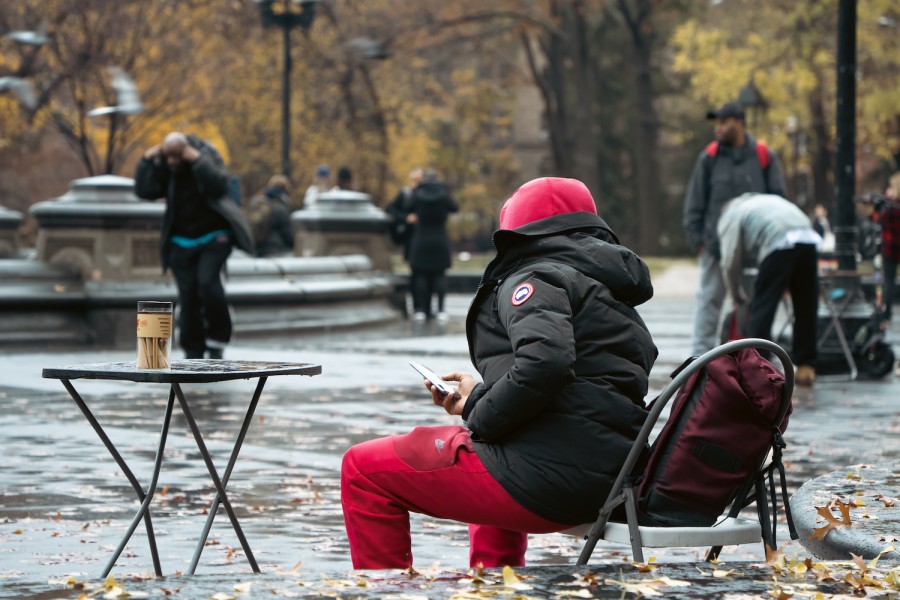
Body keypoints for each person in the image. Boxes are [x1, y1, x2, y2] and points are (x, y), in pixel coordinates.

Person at [341, 176, 658, 569]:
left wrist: (480, 414)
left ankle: (382, 593)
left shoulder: (536, 276)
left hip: (549, 479)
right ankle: (494, 583)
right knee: (489, 446)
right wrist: (476, 397)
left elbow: (547, 362)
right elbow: (575, 387)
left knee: (362, 469)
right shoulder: (606, 291)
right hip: (610, 476)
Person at [134, 132, 254, 360]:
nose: (171, 162)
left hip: (214, 236)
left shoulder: (206, 157)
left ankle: (217, 338)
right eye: (168, 157)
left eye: (176, 157)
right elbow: (144, 191)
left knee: (207, 284)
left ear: (185, 152)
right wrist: (146, 160)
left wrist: (197, 161)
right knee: (187, 295)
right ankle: (193, 350)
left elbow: (219, 185)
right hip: (180, 241)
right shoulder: (168, 167)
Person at [683, 101, 787, 356]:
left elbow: (778, 201)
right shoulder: (709, 158)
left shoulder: (763, 156)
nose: (717, 128)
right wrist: (700, 244)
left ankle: (758, 363)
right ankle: (698, 363)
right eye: (716, 122)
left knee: (757, 308)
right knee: (708, 304)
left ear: (739, 123)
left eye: (723, 122)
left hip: (755, 252)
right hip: (716, 249)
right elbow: (694, 203)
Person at [717, 193, 820, 386]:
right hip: (807, 236)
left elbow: (730, 260)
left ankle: (758, 366)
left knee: (763, 308)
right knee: (806, 304)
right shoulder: (760, 202)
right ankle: (806, 365)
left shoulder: (730, 215)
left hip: (778, 242)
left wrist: (736, 294)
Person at [406, 170, 458, 323]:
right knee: (440, 274)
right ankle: (441, 309)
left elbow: (408, 207)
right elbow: (454, 207)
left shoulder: (418, 194)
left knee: (421, 274)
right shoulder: (442, 194)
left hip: (421, 238)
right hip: (439, 238)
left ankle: (420, 310)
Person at [246, 174, 294, 257]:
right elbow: (288, 237)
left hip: (256, 250)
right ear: (285, 189)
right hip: (275, 251)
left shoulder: (256, 203)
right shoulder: (280, 209)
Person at [385, 167, 424, 262]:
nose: (415, 183)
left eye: (418, 180)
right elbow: (390, 209)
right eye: (413, 180)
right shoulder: (406, 195)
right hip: (410, 236)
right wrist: (406, 218)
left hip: (424, 235)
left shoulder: (429, 196)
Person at [880, 171, 900, 322]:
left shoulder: (890, 207)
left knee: (889, 281)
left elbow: (882, 223)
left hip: (890, 248)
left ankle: (887, 312)